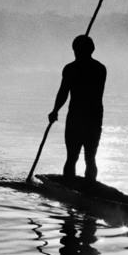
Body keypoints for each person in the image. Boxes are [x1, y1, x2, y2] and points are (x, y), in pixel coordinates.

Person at [48, 34, 107, 182]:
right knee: (87, 158)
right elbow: (63, 93)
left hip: (80, 118)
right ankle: (84, 186)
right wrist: (55, 110)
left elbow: (64, 92)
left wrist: (55, 111)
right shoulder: (99, 68)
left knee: (75, 157)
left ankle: (83, 187)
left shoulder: (72, 69)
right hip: (90, 118)